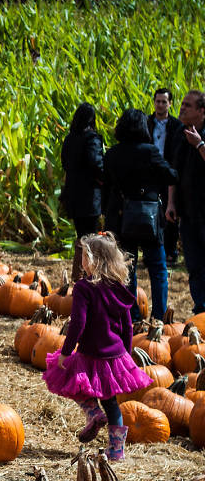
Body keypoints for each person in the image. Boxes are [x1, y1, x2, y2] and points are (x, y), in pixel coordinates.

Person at [43, 233, 152, 461]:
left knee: (67, 378)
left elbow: (78, 323)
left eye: (83, 255)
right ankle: (117, 450)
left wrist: (66, 352)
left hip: (90, 352)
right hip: (115, 353)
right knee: (111, 401)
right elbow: (127, 325)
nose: (80, 259)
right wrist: (126, 352)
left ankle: (93, 412)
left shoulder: (84, 287)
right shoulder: (119, 287)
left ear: (93, 260)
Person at [102, 108, 177, 321]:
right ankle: (159, 316)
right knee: (158, 269)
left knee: (127, 269)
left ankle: (132, 316)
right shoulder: (149, 151)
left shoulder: (112, 154)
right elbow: (171, 175)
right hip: (149, 217)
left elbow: (106, 188)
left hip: (121, 217)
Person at [166, 90, 205, 315]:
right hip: (189, 212)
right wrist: (171, 203)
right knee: (194, 264)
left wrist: (199, 144)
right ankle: (200, 310)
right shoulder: (181, 134)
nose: (181, 109)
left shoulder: (200, 135)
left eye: (187, 106)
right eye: (181, 104)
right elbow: (174, 172)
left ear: (201, 111)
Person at [148, 88, 184, 264]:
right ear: (153, 102)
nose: (160, 104)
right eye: (158, 101)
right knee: (151, 212)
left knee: (171, 213)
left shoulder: (176, 126)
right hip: (151, 174)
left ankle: (170, 252)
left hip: (169, 172)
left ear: (170, 103)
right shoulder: (147, 123)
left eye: (164, 101)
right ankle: (152, 252)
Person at [60, 103, 105, 239]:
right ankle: (88, 261)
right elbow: (96, 163)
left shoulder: (69, 138)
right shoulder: (92, 138)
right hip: (89, 195)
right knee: (91, 237)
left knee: (81, 236)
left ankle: (81, 260)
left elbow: (65, 163)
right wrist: (104, 179)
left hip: (73, 193)